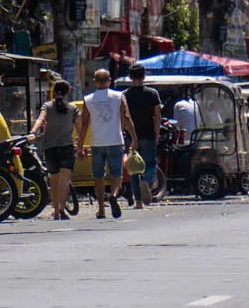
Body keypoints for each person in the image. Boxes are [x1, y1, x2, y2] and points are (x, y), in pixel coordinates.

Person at [74, 69, 136, 220]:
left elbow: (84, 125)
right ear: (109, 81)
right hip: (115, 140)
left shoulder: (88, 100)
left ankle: (101, 209)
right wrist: (134, 137)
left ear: (95, 82)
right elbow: (126, 117)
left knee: (98, 177)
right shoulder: (119, 96)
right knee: (116, 175)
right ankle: (114, 195)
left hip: (97, 142)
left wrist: (80, 146)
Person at [32, 81, 77, 220]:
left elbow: (40, 119)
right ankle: (62, 209)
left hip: (50, 147)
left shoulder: (47, 106)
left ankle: (55, 210)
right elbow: (80, 128)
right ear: (67, 93)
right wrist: (80, 145)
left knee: (54, 179)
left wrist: (32, 132)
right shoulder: (73, 108)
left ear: (54, 91)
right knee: (65, 180)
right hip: (67, 147)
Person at [121, 65, 163, 209]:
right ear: (144, 77)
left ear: (130, 77)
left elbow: (123, 117)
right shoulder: (152, 94)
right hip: (148, 134)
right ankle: (147, 180)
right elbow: (157, 116)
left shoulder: (124, 95)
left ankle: (138, 201)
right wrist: (157, 134)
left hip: (131, 137)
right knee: (150, 164)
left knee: (133, 169)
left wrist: (125, 134)